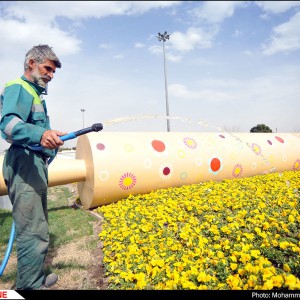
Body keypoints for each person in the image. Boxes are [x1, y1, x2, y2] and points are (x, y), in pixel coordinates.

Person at [0, 45, 66, 290]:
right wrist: (41, 135)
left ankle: (34, 279)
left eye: (53, 71)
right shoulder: (20, 87)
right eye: (47, 68)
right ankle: (29, 288)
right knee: (33, 231)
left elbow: (35, 129)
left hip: (33, 163)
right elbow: (8, 125)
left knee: (38, 225)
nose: (51, 75)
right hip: (24, 163)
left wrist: (49, 136)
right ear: (31, 63)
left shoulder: (35, 94)